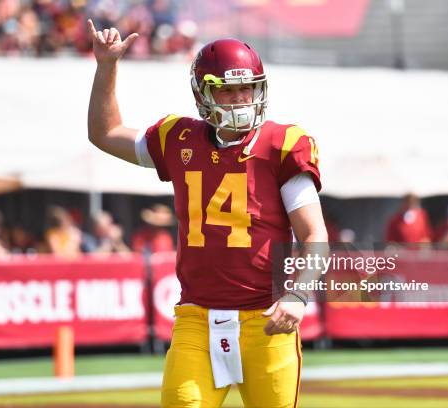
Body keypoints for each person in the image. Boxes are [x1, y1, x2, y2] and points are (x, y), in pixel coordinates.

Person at [86, 21, 328, 408]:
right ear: (203, 94)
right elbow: (105, 132)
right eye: (227, 90)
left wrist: (299, 294)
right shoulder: (177, 137)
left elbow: (315, 234)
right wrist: (107, 66)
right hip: (196, 320)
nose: (239, 99)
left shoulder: (282, 145)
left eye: (246, 88)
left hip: (265, 321)